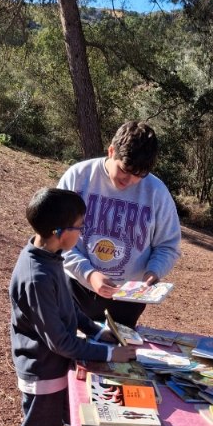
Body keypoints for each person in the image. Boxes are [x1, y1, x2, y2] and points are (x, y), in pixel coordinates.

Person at [0, 188, 137, 426]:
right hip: (43, 373)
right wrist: (108, 353)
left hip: (54, 368)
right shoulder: (36, 275)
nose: (83, 233)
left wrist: (99, 329)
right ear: (60, 232)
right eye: (80, 227)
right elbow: (59, 340)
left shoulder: (49, 258)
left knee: (78, 421)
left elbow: (68, 311)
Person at [57, 120, 181, 329]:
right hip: (76, 288)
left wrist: (154, 271)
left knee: (115, 356)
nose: (130, 181)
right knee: (69, 350)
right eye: (125, 170)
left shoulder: (157, 192)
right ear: (111, 150)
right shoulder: (78, 177)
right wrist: (89, 273)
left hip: (128, 299)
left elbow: (168, 245)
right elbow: (56, 237)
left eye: (139, 176)